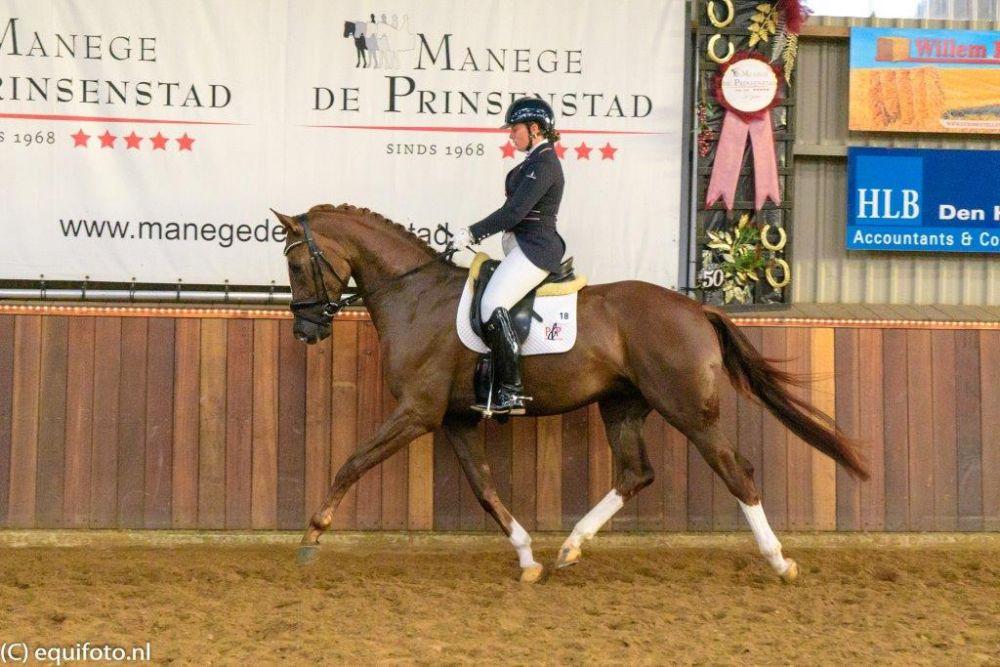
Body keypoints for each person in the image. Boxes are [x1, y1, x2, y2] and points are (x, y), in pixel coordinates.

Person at [454, 97, 567, 415]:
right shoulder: (534, 160)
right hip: (523, 247)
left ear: (534, 128)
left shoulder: (544, 163)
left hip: (535, 250)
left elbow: (514, 212)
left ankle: (512, 391)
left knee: (492, 304)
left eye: (514, 129)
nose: (510, 135)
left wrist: (473, 233)